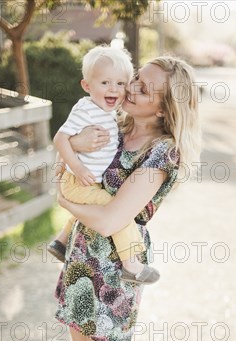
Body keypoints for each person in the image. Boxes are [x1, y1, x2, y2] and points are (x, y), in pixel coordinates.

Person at [54, 56, 201, 341]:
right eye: (136, 79)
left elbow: (113, 218)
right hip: (81, 261)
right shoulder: (112, 120)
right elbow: (63, 148)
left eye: (145, 88)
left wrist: (61, 195)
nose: (132, 88)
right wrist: (71, 147)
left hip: (117, 269)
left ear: (164, 107)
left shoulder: (162, 152)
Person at [48, 45, 160, 285]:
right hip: (78, 179)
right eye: (106, 83)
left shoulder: (109, 112)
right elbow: (60, 139)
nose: (114, 89)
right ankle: (131, 265)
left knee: (97, 201)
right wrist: (76, 165)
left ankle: (60, 241)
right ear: (87, 86)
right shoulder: (86, 109)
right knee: (114, 210)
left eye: (121, 84)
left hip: (86, 181)